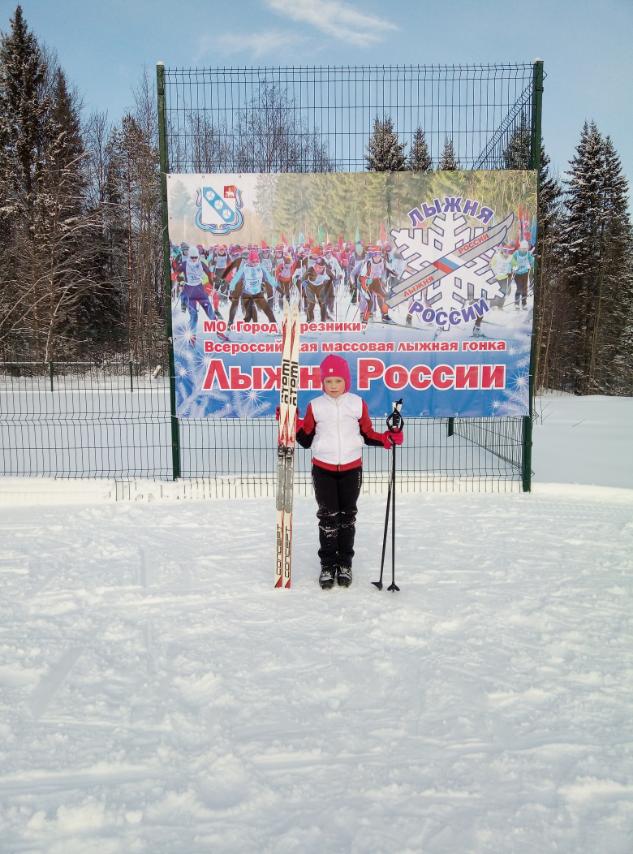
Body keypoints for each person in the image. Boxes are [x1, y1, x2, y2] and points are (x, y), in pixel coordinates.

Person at [295, 354, 404, 589]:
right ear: (322, 382)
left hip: (351, 469)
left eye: (338, 381)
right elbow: (305, 439)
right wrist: (291, 422)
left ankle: (345, 564)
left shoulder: (357, 403)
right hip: (323, 469)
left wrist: (388, 439)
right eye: (329, 381)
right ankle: (327, 565)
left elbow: (367, 434)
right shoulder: (315, 406)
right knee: (328, 517)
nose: (333, 386)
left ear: (347, 381)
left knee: (347, 517)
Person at [511, 240, 535, 310]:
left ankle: (524, 303)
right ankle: (516, 303)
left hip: (525, 272)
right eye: (523, 248)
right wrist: (514, 266)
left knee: (524, 288)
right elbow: (512, 260)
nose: (524, 250)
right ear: (520, 248)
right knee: (519, 288)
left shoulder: (528, 254)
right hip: (517, 273)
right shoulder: (516, 253)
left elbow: (531, 260)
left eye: (525, 248)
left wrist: (531, 265)